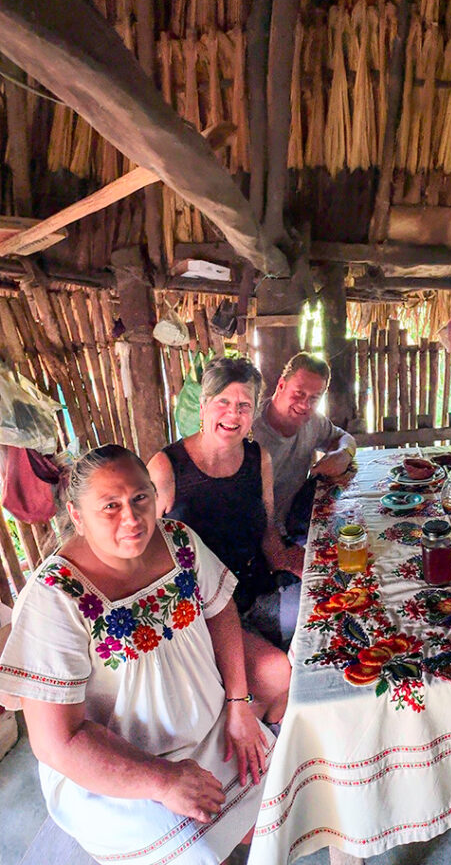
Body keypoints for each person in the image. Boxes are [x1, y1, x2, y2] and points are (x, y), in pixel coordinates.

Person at [0, 445, 271, 864]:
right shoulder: (55, 596)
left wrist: (238, 704)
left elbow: (220, 611)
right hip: (120, 770)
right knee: (194, 853)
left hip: (211, 726)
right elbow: (58, 743)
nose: (130, 518)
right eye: (109, 505)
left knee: (282, 793)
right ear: (76, 515)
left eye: (139, 498)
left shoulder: (179, 540)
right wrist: (163, 781)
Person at [148, 356, 298, 694]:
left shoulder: (258, 458)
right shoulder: (167, 467)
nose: (234, 414)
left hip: (255, 591)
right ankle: (248, 719)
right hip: (200, 611)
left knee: (317, 630)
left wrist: (291, 562)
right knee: (277, 672)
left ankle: (261, 714)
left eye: (244, 405)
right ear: (203, 407)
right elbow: (145, 552)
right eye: (223, 402)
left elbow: (268, 528)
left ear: (254, 413)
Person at [251, 352, 357, 539]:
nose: (305, 405)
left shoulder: (313, 422)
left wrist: (343, 454)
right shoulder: (250, 433)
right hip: (260, 539)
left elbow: (345, 437)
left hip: (296, 525)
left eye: (314, 398)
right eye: (299, 393)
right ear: (281, 386)